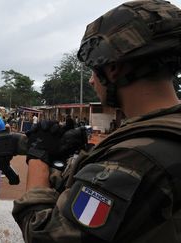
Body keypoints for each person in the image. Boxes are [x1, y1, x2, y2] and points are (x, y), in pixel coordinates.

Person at [13, 1, 181, 242]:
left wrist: (38, 158)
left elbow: (46, 234)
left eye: (93, 70)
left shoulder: (134, 160)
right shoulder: (166, 132)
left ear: (113, 68)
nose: (92, 81)